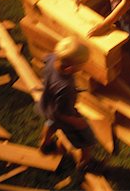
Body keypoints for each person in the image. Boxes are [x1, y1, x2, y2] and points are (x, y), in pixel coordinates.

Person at [38, 36, 96, 170]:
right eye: (81, 65)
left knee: (51, 123)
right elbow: (61, 113)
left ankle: (44, 144)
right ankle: (85, 162)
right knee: (86, 138)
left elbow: (45, 57)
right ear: (70, 69)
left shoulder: (53, 59)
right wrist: (77, 122)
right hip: (63, 114)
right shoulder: (66, 88)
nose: (83, 67)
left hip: (47, 104)